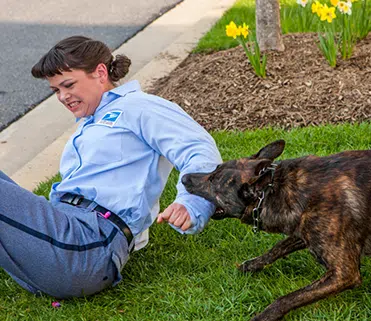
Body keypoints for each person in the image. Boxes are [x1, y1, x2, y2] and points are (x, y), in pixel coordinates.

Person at [0, 35, 222, 298]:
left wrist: (193, 203)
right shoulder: (91, 122)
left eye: (68, 85)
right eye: (56, 90)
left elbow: (199, 149)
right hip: (63, 238)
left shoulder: (138, 106)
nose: (62, 97)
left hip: (85, 246)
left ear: (100, 72)